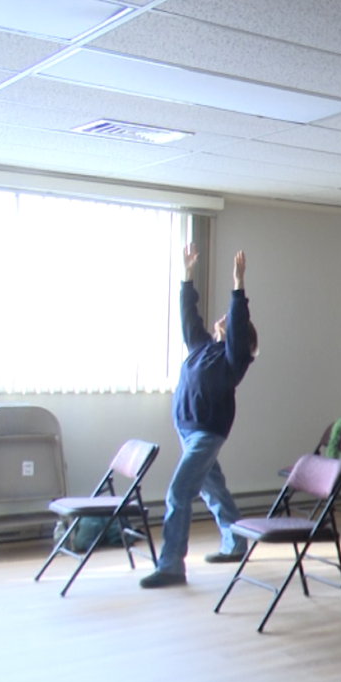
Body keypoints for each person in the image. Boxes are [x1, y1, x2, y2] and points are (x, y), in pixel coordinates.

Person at [141, 245, 257, 589]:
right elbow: (188, 316)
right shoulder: (203, 347)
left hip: (206, 433)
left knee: (178, 493)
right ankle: (236, 543)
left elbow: (236, 323)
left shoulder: (233, 359)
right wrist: (187, 275)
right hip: (187, 430)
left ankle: (172, 566)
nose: (221, 319)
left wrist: (238, 284)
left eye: (228, 322)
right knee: (213, 489)